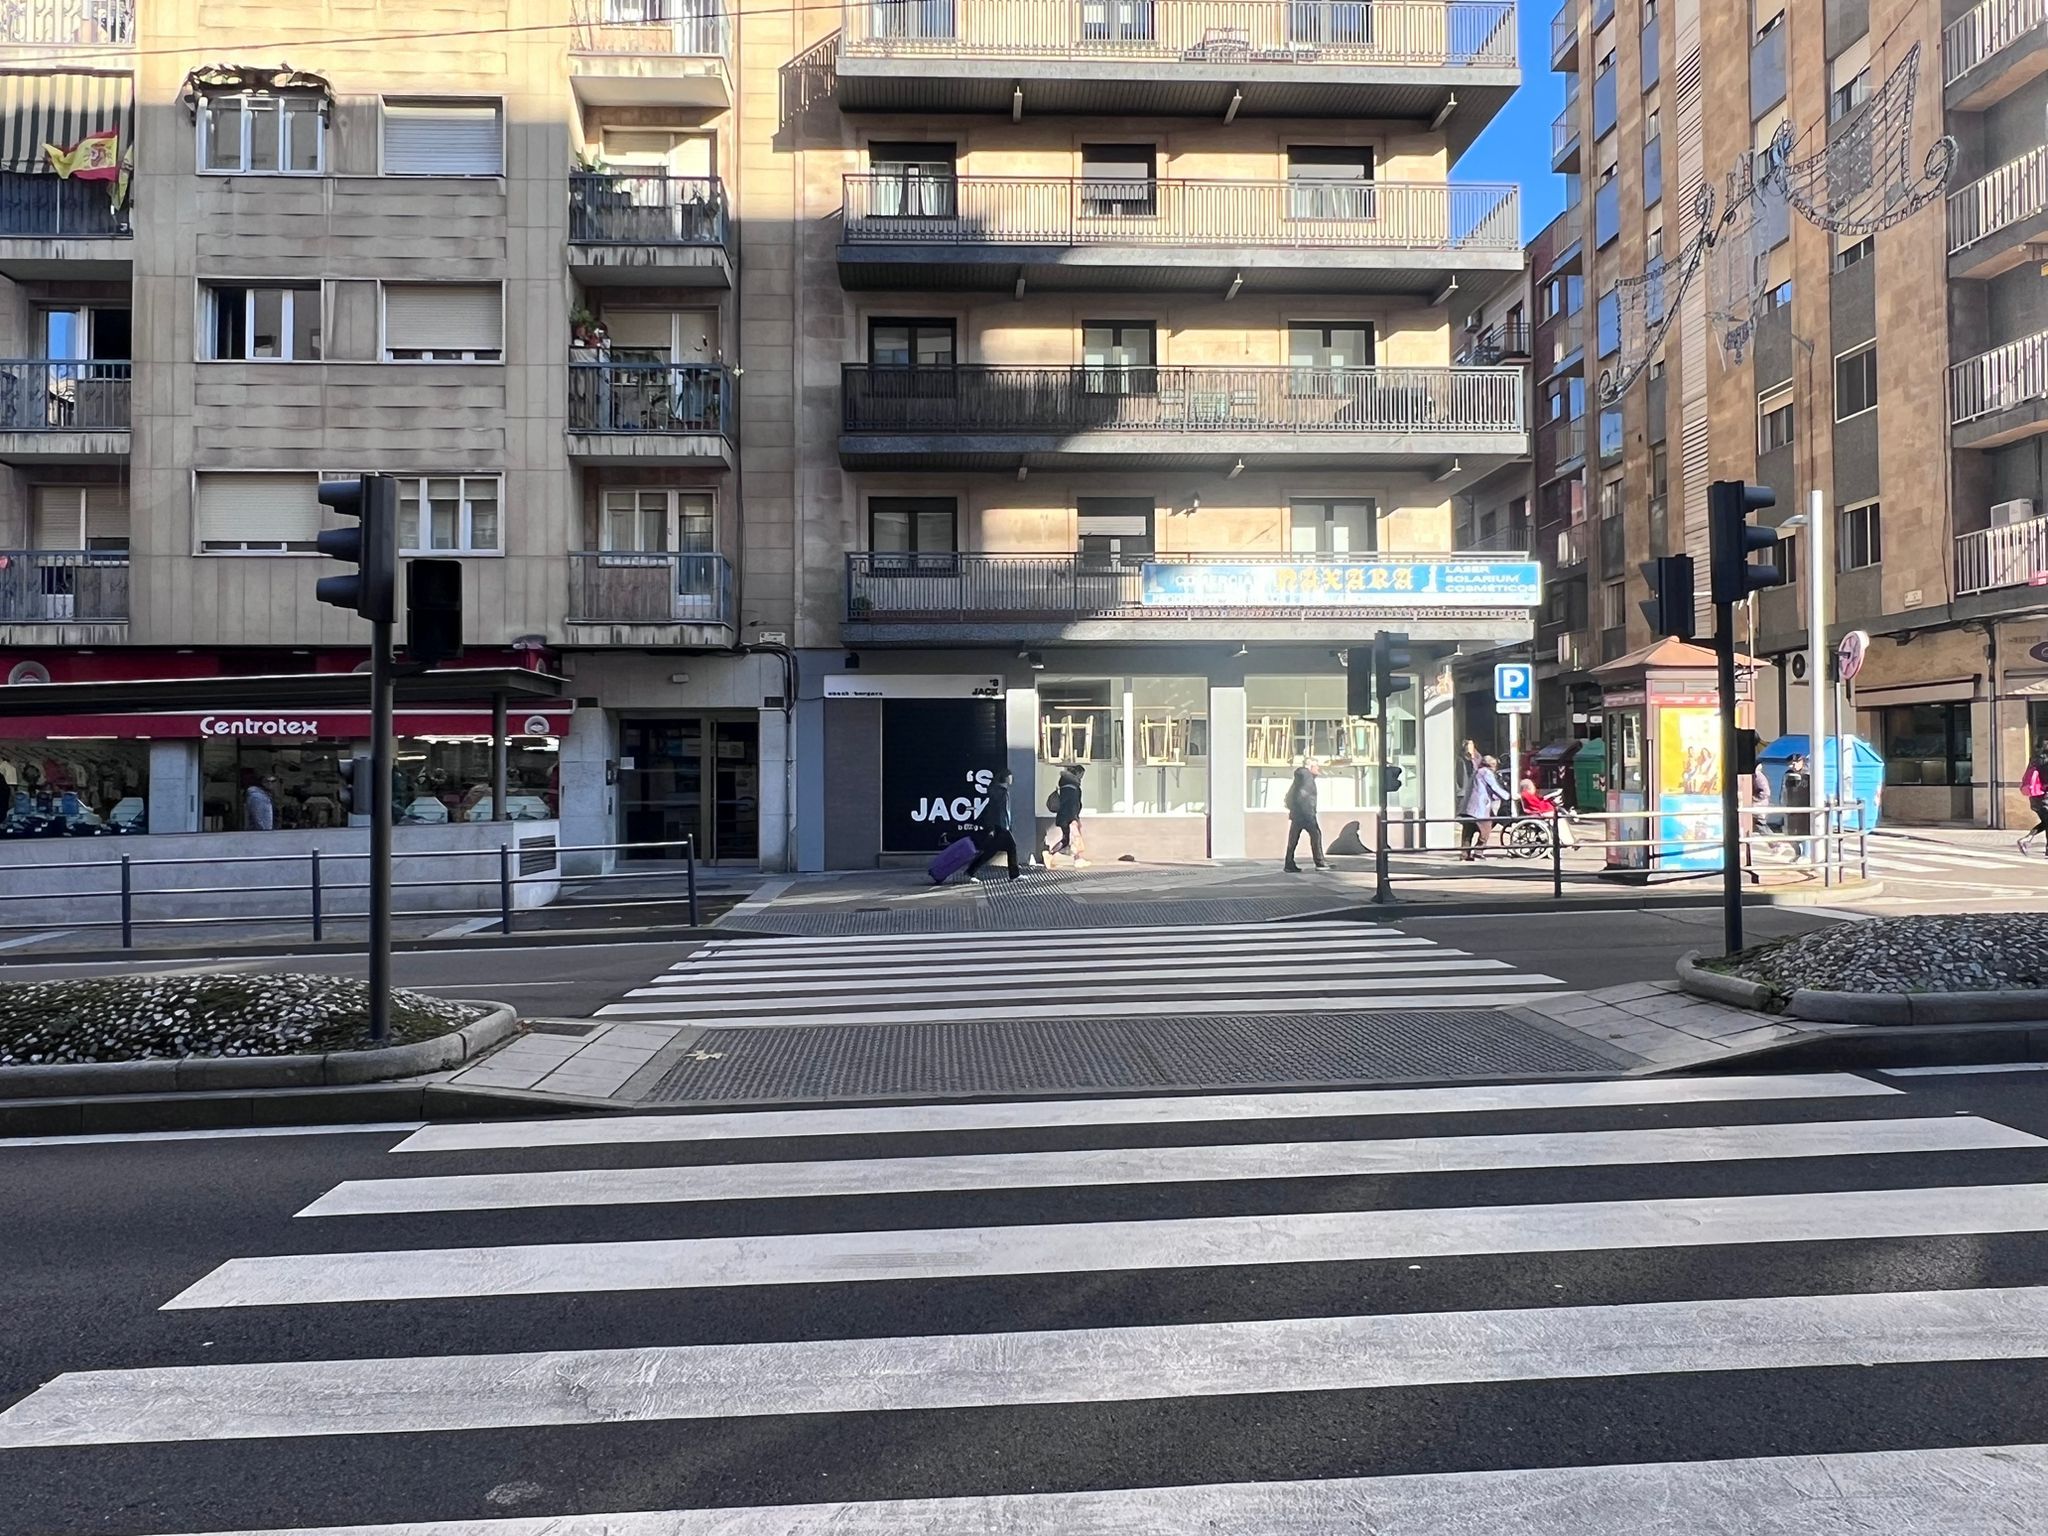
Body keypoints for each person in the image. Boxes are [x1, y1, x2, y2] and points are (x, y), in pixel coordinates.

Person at [965, 768, 1023, 882]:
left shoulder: (998, 790)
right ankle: (1014, 875)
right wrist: (999, 827)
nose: (1012, 779)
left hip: (999, 826)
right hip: (1000, 826)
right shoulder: (1001, 792)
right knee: (1012, 847)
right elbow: (997, 811)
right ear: (1006, 778)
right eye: (1010, 776)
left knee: (990, 851)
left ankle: (970, 871)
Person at [1282, 759, 1327, 872]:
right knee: (1316, 835)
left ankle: (1289, 863)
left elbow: (1293, 795)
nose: (1318, 769)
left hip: (1297, 813)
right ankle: (1320, 862)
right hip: (1306, 814)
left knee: (1293, 839)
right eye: (1316, 766)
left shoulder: (1301, 778)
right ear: (1310, 767)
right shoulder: (1307, 778)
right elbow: (1305, 797)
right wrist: (1309, 813)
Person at [1462, 754, 1509, 859]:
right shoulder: (1485, 772)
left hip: (1469, 806)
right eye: (1494, 765)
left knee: (1468, 831)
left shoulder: (1476, 772)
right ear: (1490, 765)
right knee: (1486, 829)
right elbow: (1494, 787)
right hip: (1480, 807)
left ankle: (1465, 853)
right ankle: (1479, 851)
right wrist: (1507, 796)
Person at [1519, 776, 1575, 848]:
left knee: (1561, 819)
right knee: (1560, 820)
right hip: (1542, 812)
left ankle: (1568, 841)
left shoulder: (1528, 794)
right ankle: (1568, 841)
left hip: (1544, 811)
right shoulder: (1526, 794)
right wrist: (1547, 799)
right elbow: (1537, 804)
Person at [1049, 763, 1087, 866]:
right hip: (1069, 817)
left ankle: (1051, 854)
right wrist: (1074, 818)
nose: (1082, 777)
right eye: (1081, 774)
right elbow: (1072, 803)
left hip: (1064, 816)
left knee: (1067, 839)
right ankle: (1077, 859)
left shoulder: (1066, 784)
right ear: (1077, 773)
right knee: (1075, 838)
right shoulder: (1072, 787)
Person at [1782, 752, 1813, 861]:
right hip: (1792, 807)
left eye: (1796, 763)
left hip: (1805, 808)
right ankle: (1797, 854)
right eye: (1791, 764)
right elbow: (1785, 791)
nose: (1793, 766)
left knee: (1805, 832)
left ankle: (1806, 855)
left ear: (1802, 762)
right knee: (1791, 833)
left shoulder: (1808, 775)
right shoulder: (1788, 775)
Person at [2019, 744, 2048, 856]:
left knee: (2046, 822)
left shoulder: (2035, 760)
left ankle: (2028, 839)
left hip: (2035, 797)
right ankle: (2026, 840)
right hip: (2044, 797)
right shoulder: (2045, 763)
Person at [1456, 738, 1483, 855]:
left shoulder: (1477, 758)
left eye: (1472, 745)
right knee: (1467, 825)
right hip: (1465, 794)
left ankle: (1470, 850)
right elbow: (1462, 776)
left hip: (1475, 796)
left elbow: (1477, 771)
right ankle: (1465, 852)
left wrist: (1473, 758)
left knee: (1475, 825)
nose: (1470, 748)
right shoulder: (1462, 760)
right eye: (1468, 745)